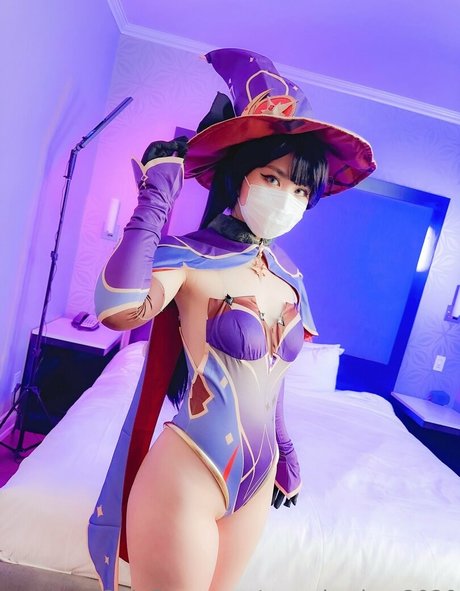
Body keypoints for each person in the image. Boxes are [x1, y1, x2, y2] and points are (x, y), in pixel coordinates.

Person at [87, 48, 376, 591]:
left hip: (258, 482)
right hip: (188, 474)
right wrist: (155, 196)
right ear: (240, 176)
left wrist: (287, 452)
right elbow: (118, 309)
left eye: (301, 189)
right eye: (273, 178)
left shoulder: (291, 277)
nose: (288, 199)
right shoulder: (188, 256)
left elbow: (273, 382)